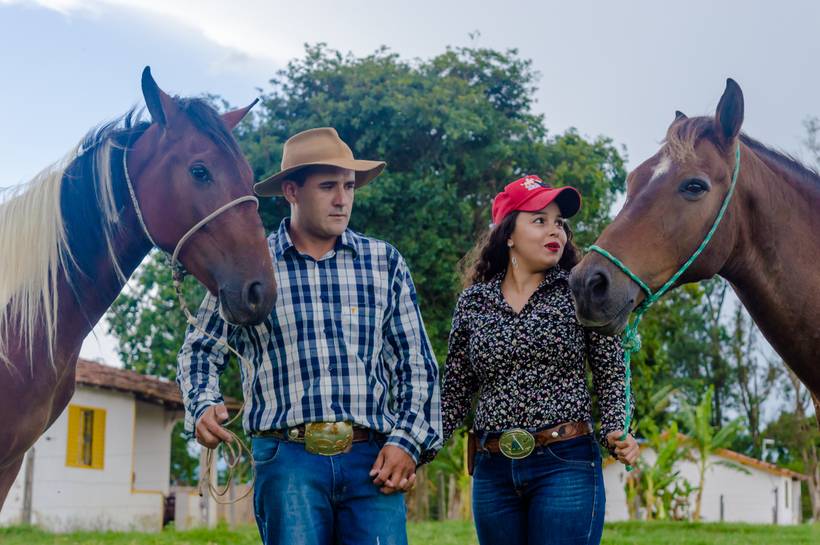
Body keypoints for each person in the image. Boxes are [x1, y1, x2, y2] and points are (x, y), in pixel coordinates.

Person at [177, 127, 442, 545]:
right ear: (291, 191)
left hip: (371, 458)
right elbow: (200, 350)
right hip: (287, 461)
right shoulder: (252, 266)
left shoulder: (384, 262)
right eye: (328, 186)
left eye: (349, 186)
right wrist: (204, 404)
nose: (342, 199)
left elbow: (417, 368)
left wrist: (407, 443)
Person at [440, 175, 639, 545]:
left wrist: (618, 429)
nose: (556, 231)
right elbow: (454, 391)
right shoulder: (474, 302)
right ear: (508, 234)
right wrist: (412, 448)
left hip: (565, 463)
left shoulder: (579, 291)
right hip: (492, 470)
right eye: (540, 220)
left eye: (559, 223)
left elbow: (612, 371)